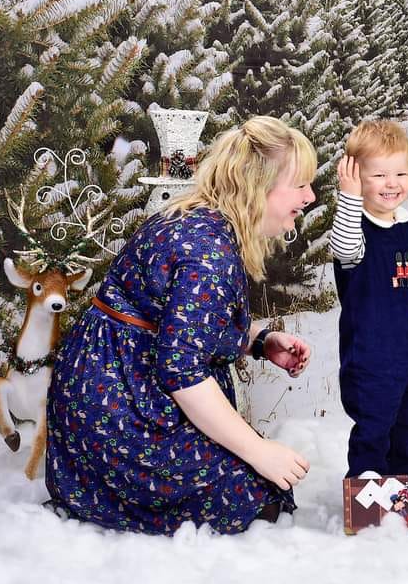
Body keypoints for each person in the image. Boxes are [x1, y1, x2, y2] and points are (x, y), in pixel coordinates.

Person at [46, 116, 317, 535]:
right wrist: (260, 451)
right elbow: (182, 371)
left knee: (258, 482)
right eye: (299, 185)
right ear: (256, 186)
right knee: (258, 496)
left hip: (112, 381)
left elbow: (181, 322)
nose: (310, 196)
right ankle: (108, 490)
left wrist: (260, 341)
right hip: (117, 405)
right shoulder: (208, 253)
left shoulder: (201, 219)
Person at [331, 119, 408, 477]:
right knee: (374, 427)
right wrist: (348, 198)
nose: (392, 184)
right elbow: (344, 247)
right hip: (370, 358)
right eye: (378, 175)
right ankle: (365, 492)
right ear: (355, 176)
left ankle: (402, 489)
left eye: (400, 173)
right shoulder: (356, 229)